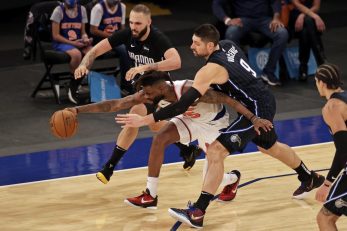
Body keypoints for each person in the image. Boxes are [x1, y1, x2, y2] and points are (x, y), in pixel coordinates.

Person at [116, 24, 325, 229]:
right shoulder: (227, 44)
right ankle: (309, 177)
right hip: (261, 99)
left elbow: (181, 104)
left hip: (256, 108)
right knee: (270, 146)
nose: (191, 47)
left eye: (196, 44)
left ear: (210, 46)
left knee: (216, 151)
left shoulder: (210, 70)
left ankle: (198, 212)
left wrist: (146, 120)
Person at [67, 70, 272, 207]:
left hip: (214, 124)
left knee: (212, 182)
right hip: (190, 120)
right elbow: (114, 104)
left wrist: (254, 118)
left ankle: (233, 178)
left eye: (148, 93)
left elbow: (228, 99)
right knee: (160, 138)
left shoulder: (191, 90)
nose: (145, 97)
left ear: (162, 89)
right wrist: (76, 110)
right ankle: (150, 195)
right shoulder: (151, 93)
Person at [74, 4, 201, 183]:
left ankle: (109, 167)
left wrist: (146, 67)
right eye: (131, 22)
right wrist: (83, 64)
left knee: (133, 117)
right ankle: (188, 150)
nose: (133, 27)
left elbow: (176, 61)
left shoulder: (157, 38)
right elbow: (95, 50)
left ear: (149, 22)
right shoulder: (127, 34)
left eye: (138, 23)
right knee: (156, 126)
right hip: (142, 88)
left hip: (160, 89)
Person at [212, 0, 288, 86]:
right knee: (231, 33)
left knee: (282, 34)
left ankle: (268, 72)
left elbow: (275, 1)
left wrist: (276, 17)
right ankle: (237, 73)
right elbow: (217, 3)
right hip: (242, 20)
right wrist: (227, 20)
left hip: (264, 19)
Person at [313, 64, 347, 230]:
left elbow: (343, 150)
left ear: (322, 83)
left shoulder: (332, 107)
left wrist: (327, 184)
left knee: (324, 218)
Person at [50, 0, 93, 104]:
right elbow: (55, 35)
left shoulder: (82, 9)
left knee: (91, 52)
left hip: (77, 42)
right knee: (76, 54)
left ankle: (74, 84)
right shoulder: (58, 11)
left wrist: (85, 38)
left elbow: (83, 32)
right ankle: (72, 89)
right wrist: (72, 43)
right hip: (61, 43)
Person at [89, 0, 131, 92]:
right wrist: (115, 37)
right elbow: (93, 30)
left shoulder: (122, 6)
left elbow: (122, 27)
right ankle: (126, 86)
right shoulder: (98, 8)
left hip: (116, 38)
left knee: (135, 45)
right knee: (124, 50)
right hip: (101, 39)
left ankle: (134, 79)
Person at [288, 0, 326, 81]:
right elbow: (297, 5)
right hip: (294, 20)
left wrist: (303, 15)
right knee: (309, 22)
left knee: (305, 31)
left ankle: (303, 67)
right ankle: (322, 63)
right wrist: (315, 16)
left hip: (307, 19)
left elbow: (316, 6)